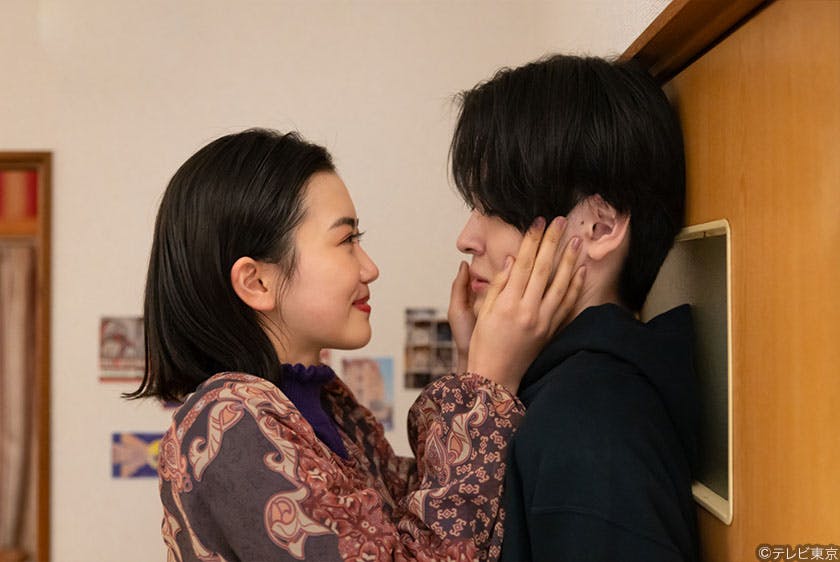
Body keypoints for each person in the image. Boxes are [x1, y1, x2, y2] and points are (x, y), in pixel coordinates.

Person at [126, 128, 585, 561]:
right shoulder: (229, 422)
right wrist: (485, 386)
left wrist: (473, 371)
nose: (369, 268)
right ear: (257, 281)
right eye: (347, 240)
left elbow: (421, 515)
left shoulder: (331, 411)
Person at [447, 55, 700, 561]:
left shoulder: (588, 423)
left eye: (495, 208)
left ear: (600, 228)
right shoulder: (555, 393)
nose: (467, 238)